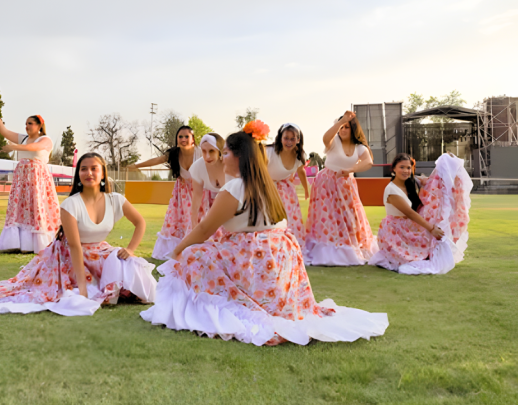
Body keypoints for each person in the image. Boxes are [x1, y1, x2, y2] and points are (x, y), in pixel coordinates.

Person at [141, 122, 388, 346]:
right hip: (279, 256)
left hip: (255, 257)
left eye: (225, 152)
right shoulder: (266, 184)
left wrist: (176, 251)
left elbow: (204, 230)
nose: (221, 157)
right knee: (211, 251)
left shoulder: (235, 187)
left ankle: (226, 306)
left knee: (192, 256)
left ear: (239, 157)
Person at [0, 153, 156, 316]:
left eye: (94, 169)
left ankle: (119, 291)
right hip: (67, 256)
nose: (89, 173)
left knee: (129, 262)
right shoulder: (71, 204)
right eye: (83, 169)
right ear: (78, 174)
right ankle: (101, 290)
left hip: (99, 250)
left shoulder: (115, 199)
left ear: (103, 174)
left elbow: (140, 222)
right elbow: (74, 246)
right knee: (47, 290)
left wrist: (130, 249)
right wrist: (82, 289)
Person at [368, 153, 472, 274]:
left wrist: (448, 165)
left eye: (408, 168)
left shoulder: (411, 182)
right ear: (394, 169)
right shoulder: (391, 190)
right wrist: (432, 228)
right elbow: (411, 213)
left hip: (408, 225)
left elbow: (434, 182)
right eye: (401, 167)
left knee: (436, 217)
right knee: (427, 237)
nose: (405, 171)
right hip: (395, 229)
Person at [304, 111, 378, 266]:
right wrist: (341, 121)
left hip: (346, 184)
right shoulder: (333, 141)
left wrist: (350, 169)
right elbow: (325, 138)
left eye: (346, 127)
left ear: (353, 129)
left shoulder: (359, 147)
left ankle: (349, 246)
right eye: (341, 127)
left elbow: (368, 162)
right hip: (326, 183)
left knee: (350, 216)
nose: (343, 130)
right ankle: (328, 247)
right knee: (328, 216)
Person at [0, 98, 60, 254]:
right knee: (20, 208)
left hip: (37, 178)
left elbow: (35, 147)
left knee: (37, 207)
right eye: (26, 123)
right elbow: (3, 130)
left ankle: (39, 242)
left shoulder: (45, 139)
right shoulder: (23, 138)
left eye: (30, 123)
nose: (27, 126)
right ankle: (18, 242)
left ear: (39, 126)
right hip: (22, 178)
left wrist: (15, 147)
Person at [127, 126, 202, 260]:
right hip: (182, 193)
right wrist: (136, 166)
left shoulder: (201, 153)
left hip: (200, 191)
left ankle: (198, 249)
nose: (183, 139)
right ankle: (179, 251)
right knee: (178, 220)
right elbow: (156, 160)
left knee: (198, 218)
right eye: (180, 137)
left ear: (193, 140)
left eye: (186, 136)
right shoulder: (174, 154)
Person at [266, 123, 309, 249]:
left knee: (289, 218)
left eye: (292, 138)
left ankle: (289, 246)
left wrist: (306, 189)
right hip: (267, 187)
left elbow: (301, 171)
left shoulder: (299, 156)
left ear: (298, 139)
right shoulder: (269, 152)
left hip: (286, 190)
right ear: (280, 138)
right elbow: (259, 169)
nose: (289, 141)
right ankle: (270, 245)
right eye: (286, 138)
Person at [189, 133, 231, 228]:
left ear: (219, 150)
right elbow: (197, 197)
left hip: (233, 210)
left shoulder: (231, 164)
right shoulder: (197, 167)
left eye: (211, 151)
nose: (207, 156)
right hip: (210, 212)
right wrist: (194, 223)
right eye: (204, 151)